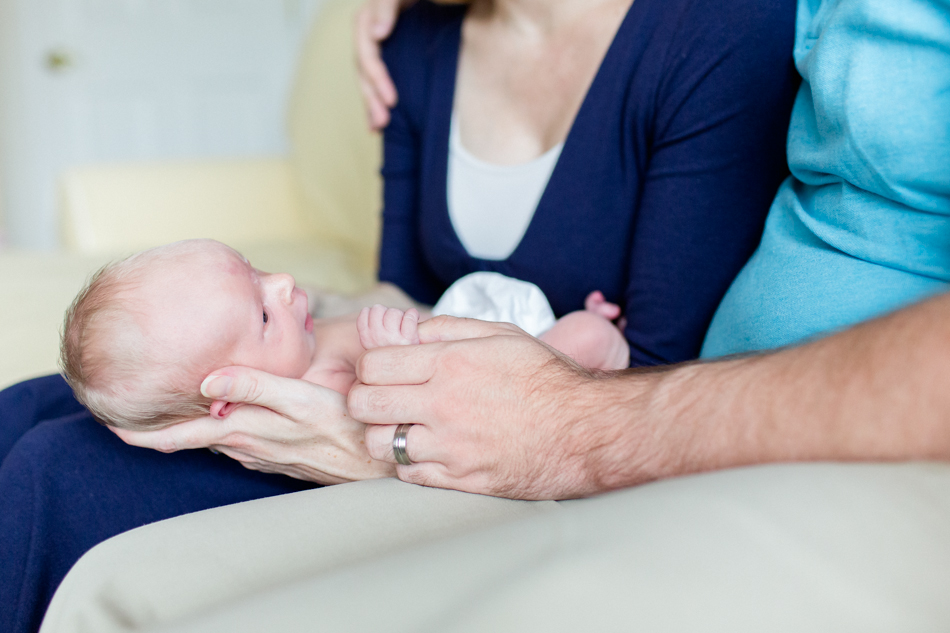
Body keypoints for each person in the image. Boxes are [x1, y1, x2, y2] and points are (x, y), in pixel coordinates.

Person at [0, 0, 799, 629]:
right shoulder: (414, 37)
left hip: (536, 440)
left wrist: (360, 431)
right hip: (410, 370)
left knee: (50, 468)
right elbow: (403, 291)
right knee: (28, 404)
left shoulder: (716, 27)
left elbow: (657, 368)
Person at [62, 239, 629, 433]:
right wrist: (395, 357)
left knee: (536, 319)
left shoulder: (291, 348)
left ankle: (569, 330)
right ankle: (595, 341)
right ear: (235, 393)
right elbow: (400, 416)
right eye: (262, 313)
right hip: (486, 376)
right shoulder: (313, 388)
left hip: (469, 323)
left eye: (259, 270)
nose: (283, 284)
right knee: (580, 336)